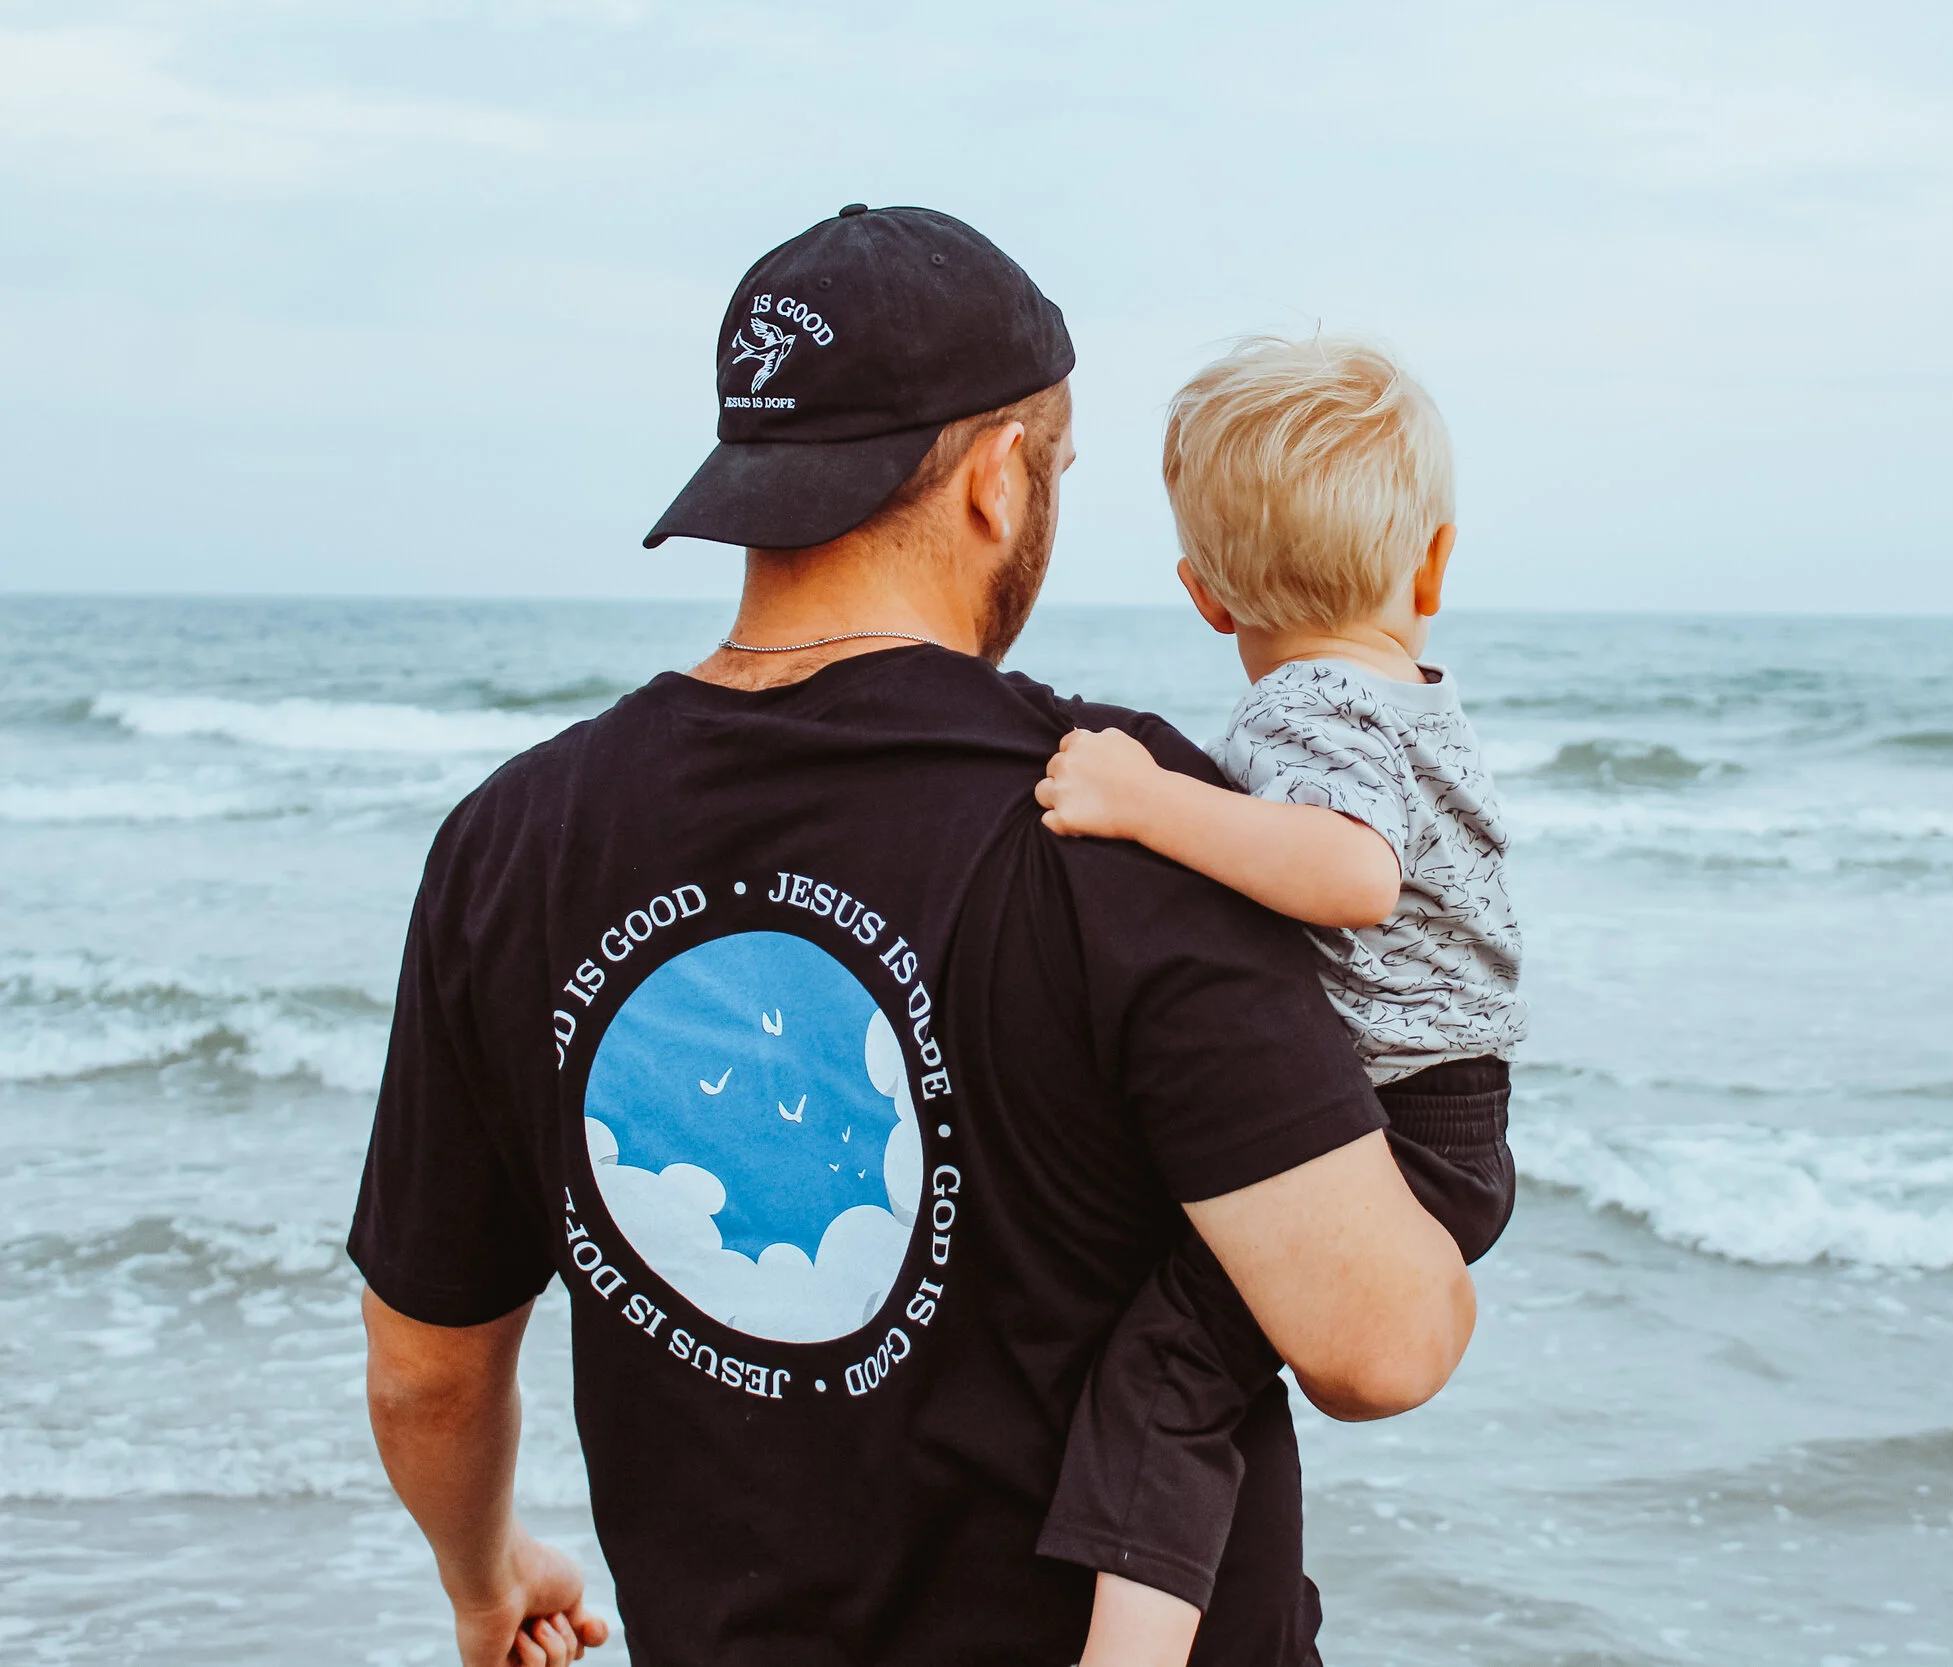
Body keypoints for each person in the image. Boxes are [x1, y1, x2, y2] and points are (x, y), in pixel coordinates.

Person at [348, 206, 1476, 1667]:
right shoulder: (1115, 813)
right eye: (1058, 465)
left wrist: (486, 1576)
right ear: (1000, 480)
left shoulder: (509, 841)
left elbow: (425, 1374)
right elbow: (1379, 1342)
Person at [1030, 336, 1524, 1666]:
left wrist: (1148, 799)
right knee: (1208, 1353)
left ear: (1202, 597)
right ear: (1433, 565)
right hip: (1447, 1121)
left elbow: (1350, 872)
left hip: (1400, 1125)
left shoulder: (1315, 707)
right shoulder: (1405, 695)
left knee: (1166, 1376)